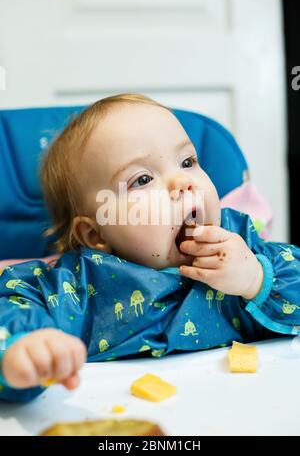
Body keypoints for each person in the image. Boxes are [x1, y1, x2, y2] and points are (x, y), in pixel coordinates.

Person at [0, 94, 299, 403]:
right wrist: (26, 349)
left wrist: (257, 280)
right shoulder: (73, 291)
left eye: (187, 162)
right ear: (94, 234)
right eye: (142, 179)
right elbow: (10, 308)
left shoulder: (245, 254)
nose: (183, 181)